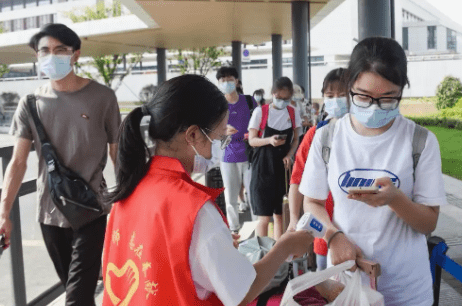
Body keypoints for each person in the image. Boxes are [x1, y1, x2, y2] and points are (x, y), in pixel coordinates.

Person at [101, 74, 313, 305]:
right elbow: (242, 293)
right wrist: (284, 247)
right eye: (220, 137)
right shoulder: (194, 210)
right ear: (193, 134)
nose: (220, 147)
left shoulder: (130, 189)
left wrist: (212, 245)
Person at [299, 37, 447, 306]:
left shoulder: (420, 141)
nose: (375, 107)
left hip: (407, 291)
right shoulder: (328, 138)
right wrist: (332, 236)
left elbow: (428, 223)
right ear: (349, 86)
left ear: (402, 89)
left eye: (388, 98)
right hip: (346, 287)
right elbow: (312, 203)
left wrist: (395, 200)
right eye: (364, 96)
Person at [0, 24, 121, 305]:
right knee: (75, 289)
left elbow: (117, 152)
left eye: (60, 50)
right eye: (44, 50)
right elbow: (17, 163)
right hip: (49, 213)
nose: (50, 56)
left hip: (93, 209)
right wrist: (4, 212)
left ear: (75, 54)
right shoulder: (30, 103)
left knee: (77, 297)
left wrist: (128, 198)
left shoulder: (102, 98)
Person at [288, 68, 348, 272]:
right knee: (329, 290)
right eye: (330, 96)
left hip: (363, 234)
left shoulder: (366, 136)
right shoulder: (316, 135)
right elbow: (296, 180)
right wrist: (294, 220)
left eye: (342, 95)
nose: (336, 100)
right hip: (325, 231)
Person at [248, 77, 301, 240]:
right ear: (273, 94)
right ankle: (262, 254)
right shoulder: (260, 112)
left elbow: (296, 139)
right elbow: (252, 140)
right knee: (264, 218)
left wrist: (289, 155)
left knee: (280, 215)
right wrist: (269, 141)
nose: (282, 101)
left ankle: (280, 258)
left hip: (282, 169)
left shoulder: (293, 112)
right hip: (262, 168)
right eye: (279, 98)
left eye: (286, 99)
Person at [216, 67, 257, 232]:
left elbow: (259, 122)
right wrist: (223, 131)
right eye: (223, 80)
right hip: (227, 154)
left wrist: (252, 134)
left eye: (230, 79)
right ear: (218, 83)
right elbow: (210, 129)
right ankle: (233, 228)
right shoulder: (217, 105)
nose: (227, 83)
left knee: (253, 193)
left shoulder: (248, 101)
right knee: (230, 196)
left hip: (249, 153)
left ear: (237, 81)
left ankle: (256, 226)